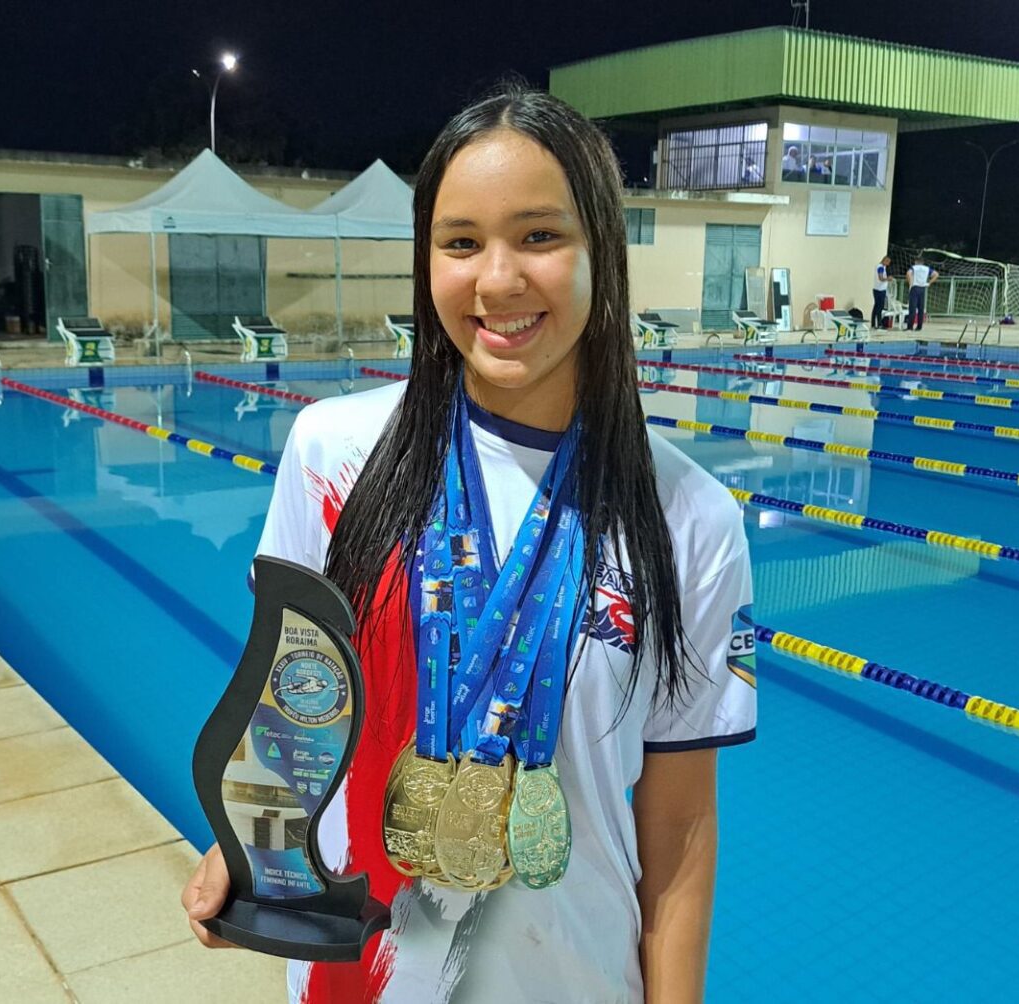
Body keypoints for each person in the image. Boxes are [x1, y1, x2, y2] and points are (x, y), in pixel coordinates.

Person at [182, 85, 756, 1004]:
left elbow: (681, 827)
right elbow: (295, 700)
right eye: (460, 242)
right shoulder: (334, 455)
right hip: (356, 980)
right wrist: (250, 844)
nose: (496, 280)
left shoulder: (689, 517)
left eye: (538, 236)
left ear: (602, 251)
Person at [906, 255, 937, 331]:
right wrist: (929, 283)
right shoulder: (927, 268)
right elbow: (936, 274)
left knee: (912, 308)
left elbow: (908, 274)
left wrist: (910, 283)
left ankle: (910, 327)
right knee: (921, 308)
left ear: (916, 262)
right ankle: (919, 326)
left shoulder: (914, 267)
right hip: (922, 288)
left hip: (915, 287)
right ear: (923, 262)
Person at [872, 255, 892, 328]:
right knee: (879, 307)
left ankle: (874, 324)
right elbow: (880, 278)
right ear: (885, 261)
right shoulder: (880, 267)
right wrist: (888, 279)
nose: (888, 264)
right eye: (888, 262)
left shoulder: (880, 266)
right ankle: (879, 324)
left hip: (877, 289)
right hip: (880, 290)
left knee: (876, 306)